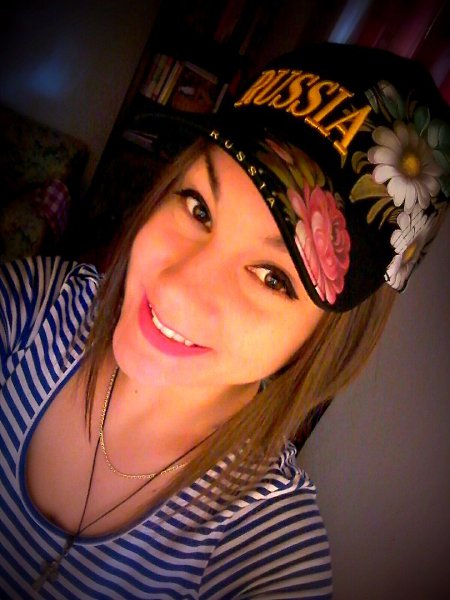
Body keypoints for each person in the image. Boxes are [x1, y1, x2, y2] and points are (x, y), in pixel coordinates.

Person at [0, 41, 448, 599]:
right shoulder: (33, 310)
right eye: (198, 207)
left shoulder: (268, 551)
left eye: (273, 276)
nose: (175, 289)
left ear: (324, 339)